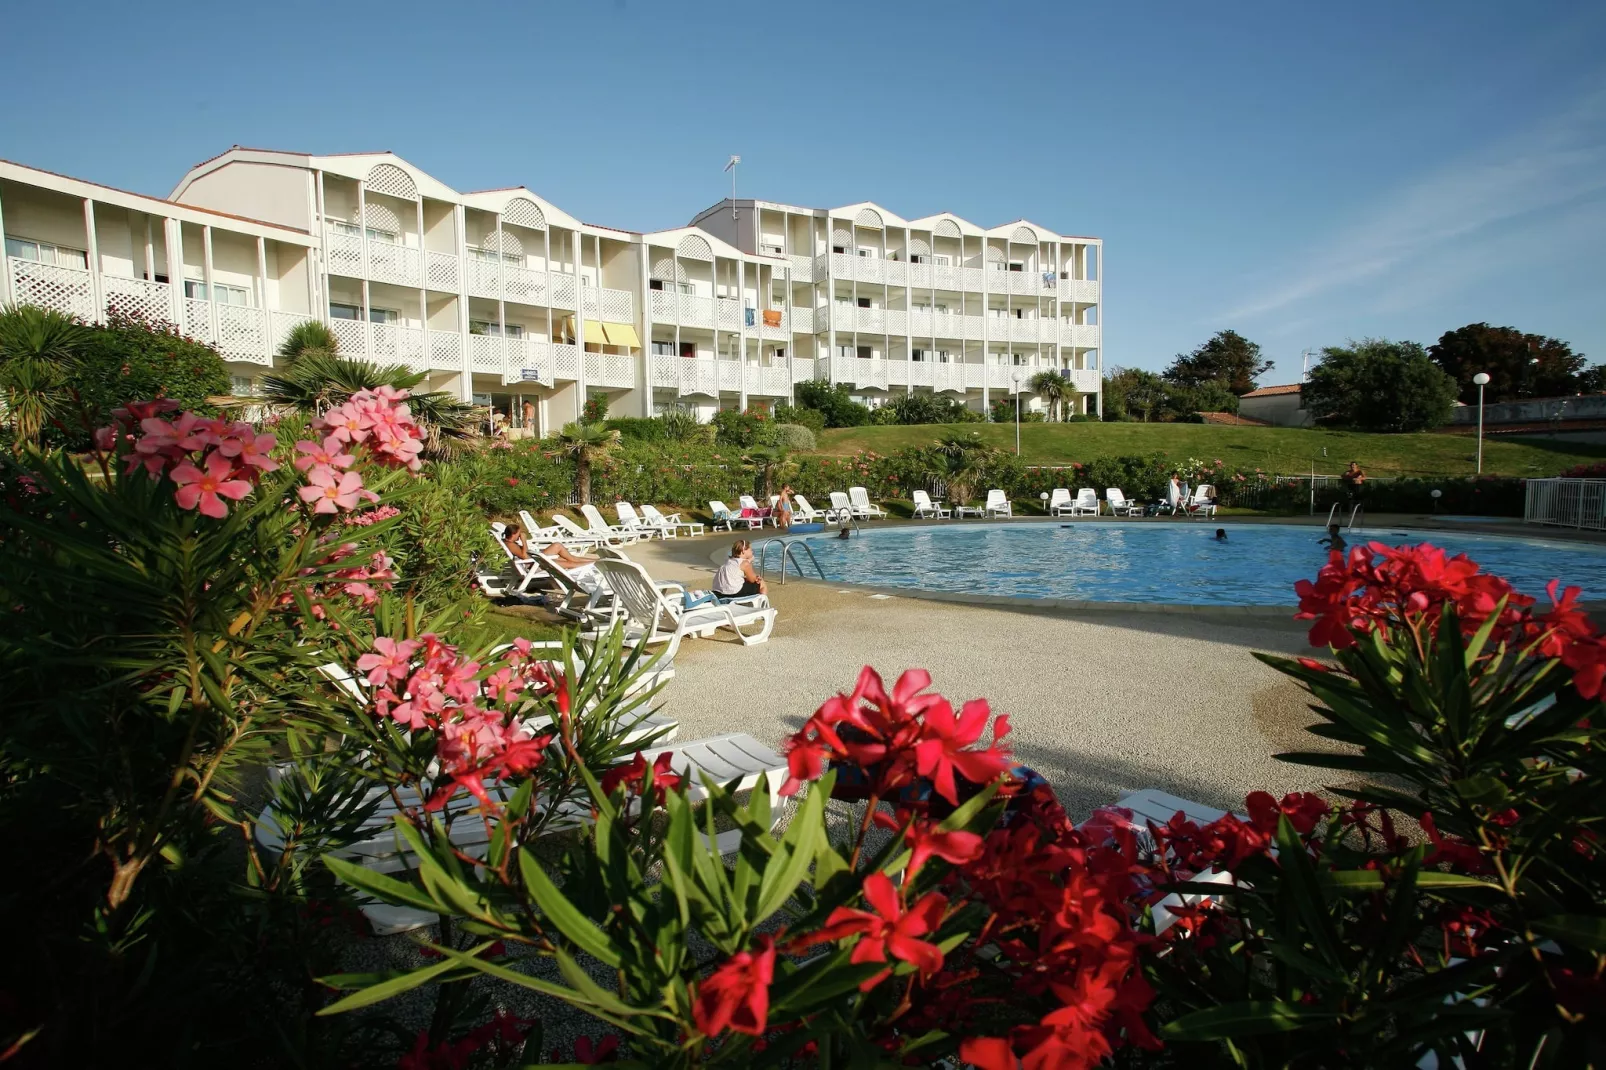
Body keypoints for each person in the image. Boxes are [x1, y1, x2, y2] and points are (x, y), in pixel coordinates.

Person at [502, 524, 595, 570]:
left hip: (535, 560)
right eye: (519, 533)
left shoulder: (509, 543)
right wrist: (524, 541)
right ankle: (595, 564)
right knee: (569, 562)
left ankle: (596, 562)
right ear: (513, 534)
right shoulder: (510, 545)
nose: (520, 535)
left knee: (567, 558)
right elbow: (524, 556)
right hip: (534, 564)